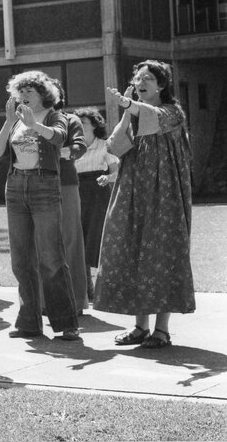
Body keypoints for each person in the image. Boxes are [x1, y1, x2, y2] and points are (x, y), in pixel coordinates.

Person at [96, 60, 195, 349]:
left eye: (148, 78)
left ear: (161, 85)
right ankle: (140, 326)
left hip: (164, 196)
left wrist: (131, 105)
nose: (141, 82)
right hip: (131, 194)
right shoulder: (135, 112)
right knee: (132, 250)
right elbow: (115, 147)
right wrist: (126, 113)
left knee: (161, 254)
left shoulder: (172, 113)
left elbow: (152, 116)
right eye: (138, 77)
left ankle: (161, 330)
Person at [0, 70, 79, 340]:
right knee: (21, 261)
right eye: (21, 91)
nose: (24, 95)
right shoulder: (15, 120)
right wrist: (8, 122)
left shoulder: (53, 115)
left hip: (44, 186)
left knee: (51, 258)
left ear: (43, 94)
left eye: (30, 91)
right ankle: (28, 322)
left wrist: (35, 125)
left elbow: (60, 137)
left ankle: (66, 323)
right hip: (15, 187)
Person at [49, 82, 89, 313]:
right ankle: (44, 301)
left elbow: (79, 146)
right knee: (39, 243)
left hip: (65, 184)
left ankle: (75, 300)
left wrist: (64, 152)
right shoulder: (25, 122)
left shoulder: (70, 119)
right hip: (33, 186)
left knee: (71, 241)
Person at [73, 107, 119, 300]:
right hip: (75, 193)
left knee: (98, 238)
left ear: (94, 125)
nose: (78, 125)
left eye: (82, 122)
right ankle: (86, 287)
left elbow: (119, 171)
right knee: (78, 238)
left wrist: (107, 178)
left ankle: (107, 287)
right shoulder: (72, 146)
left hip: (99, 196)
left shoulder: (104, 145)